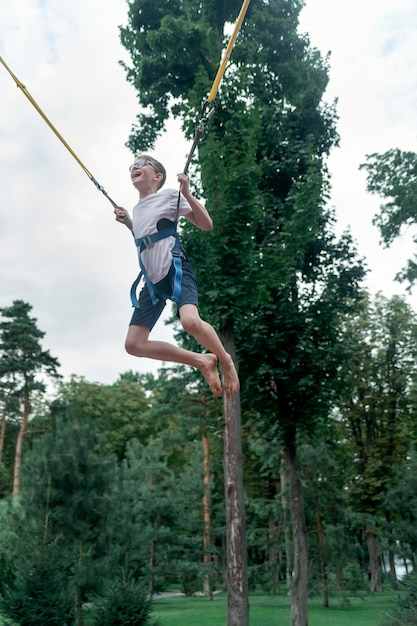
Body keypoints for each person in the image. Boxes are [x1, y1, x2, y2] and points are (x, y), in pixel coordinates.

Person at [114, 154, 240, 398]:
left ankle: (225, 361)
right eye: (132, 166)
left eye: (141, 165)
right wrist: (130, 224)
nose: (134, 168)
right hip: (152, 281)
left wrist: (187, 193)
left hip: (175, 268)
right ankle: (202, 361)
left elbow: (206, 224)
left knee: (190, 322)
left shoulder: (171, 196)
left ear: (158, 176)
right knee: (134, 344)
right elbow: (148, 239)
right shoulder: (138, 209)